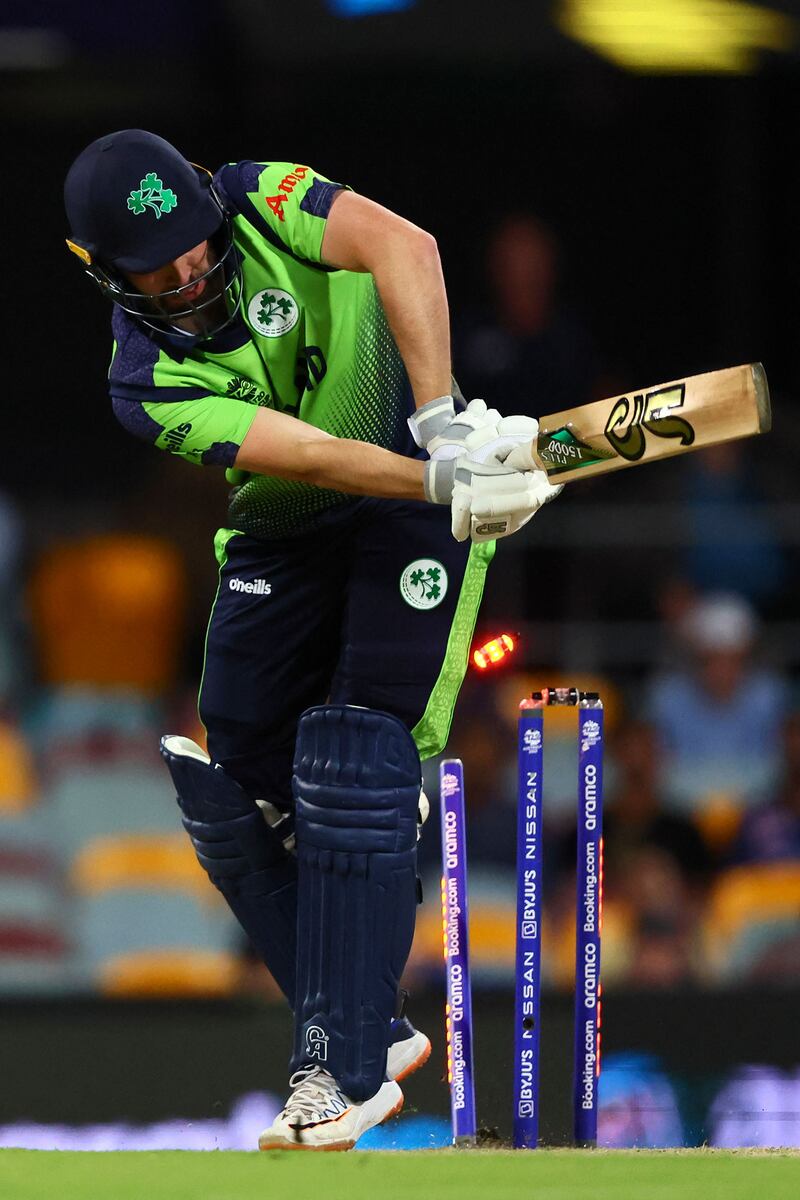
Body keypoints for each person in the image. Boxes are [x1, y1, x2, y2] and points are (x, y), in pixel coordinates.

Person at [63, 130, 560, 1151]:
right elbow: (313, 457)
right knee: (235, 785)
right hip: (299, 513)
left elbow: (404, 247)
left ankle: (340, 1069)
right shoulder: (143, 381)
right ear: (105, 274)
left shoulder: (257, 196)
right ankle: (369, 1021)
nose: (194, 267)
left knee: (356, 753)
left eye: (196, 244)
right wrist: (433, 471)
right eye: (161, 267)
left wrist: (438, 427)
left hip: (417, 501)